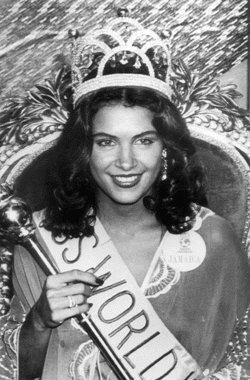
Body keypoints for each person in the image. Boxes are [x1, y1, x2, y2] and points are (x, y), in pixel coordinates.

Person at [0, 13, 249, 380]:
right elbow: (14, 373)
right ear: (83, 151)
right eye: (106, 142)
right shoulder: (39, 241)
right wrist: (39, 321)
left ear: (166, 147)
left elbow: (240, 362)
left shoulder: (213, 240)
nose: (126, 162)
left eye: (144, 141)